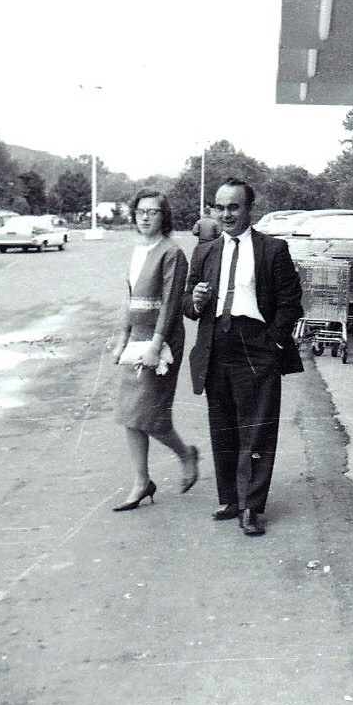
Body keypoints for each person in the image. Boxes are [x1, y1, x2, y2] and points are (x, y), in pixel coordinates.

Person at [182, 178, 303, 536]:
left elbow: (290, 302)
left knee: (257, 429)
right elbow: (188, 305)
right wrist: (198, 300)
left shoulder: (273, 250)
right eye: (219, 207)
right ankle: (230, 499)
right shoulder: (204, 251)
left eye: (233, 207)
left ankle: (252, 506)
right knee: (223, 427)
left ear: (250, 210)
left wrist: (271, 341)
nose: (226, 214)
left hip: (256, 346)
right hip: (216, 345)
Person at [111, 189, 199, 511]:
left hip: (160, 341)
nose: (145, 217)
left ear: (165, 216)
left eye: (153, 212)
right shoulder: (137, 250)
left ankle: (186, 454)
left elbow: (171, 305)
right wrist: (122, 338)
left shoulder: (172, 252)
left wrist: (155, 345)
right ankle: (141, 481)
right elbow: (129, 297)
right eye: (140, 211)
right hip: (136, 338)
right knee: (129, 414)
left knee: (150, 415)